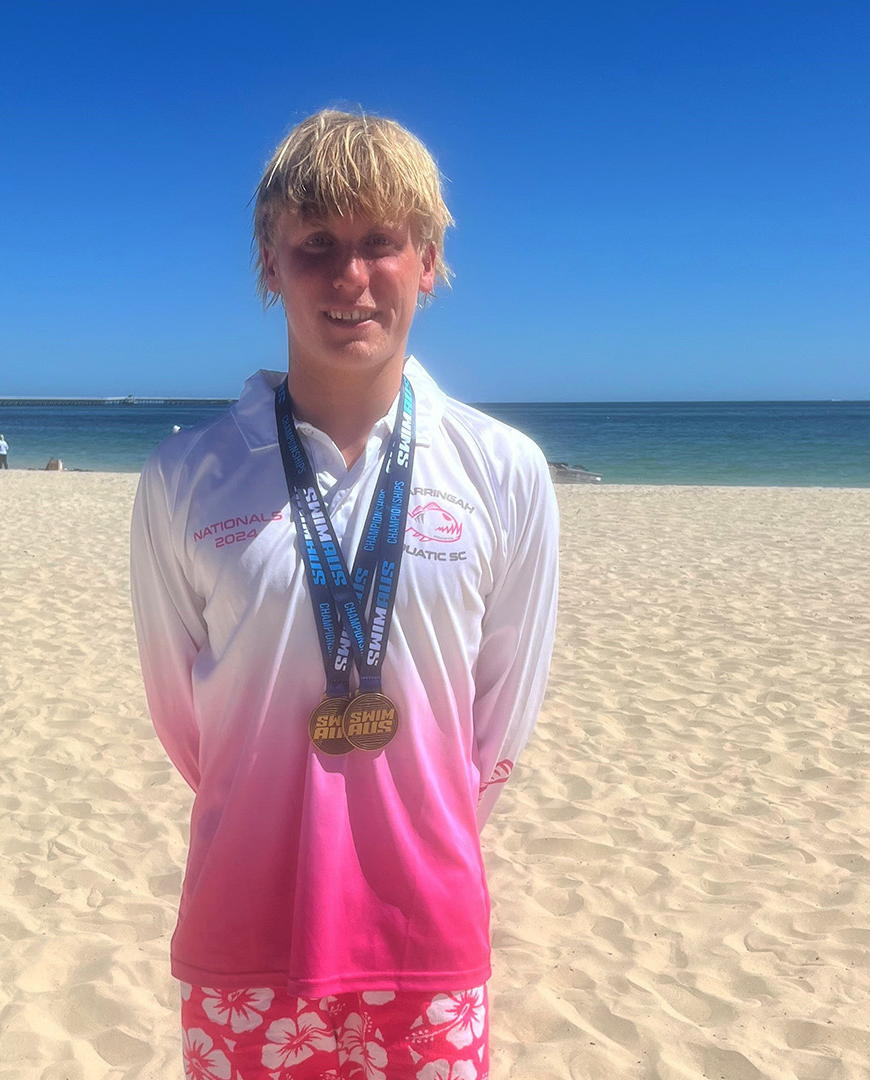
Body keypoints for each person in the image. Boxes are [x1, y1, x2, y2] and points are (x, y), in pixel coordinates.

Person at [130, 109, 558, 1080]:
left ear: (429, 260)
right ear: (269, 264)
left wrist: (402, 822)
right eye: (315, 245)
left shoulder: (504, 470)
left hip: (429, 940)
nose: (350, 276)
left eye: (380, 243)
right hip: (243, 929)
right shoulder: (185, 476)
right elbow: (185, 720)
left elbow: (497, 729)